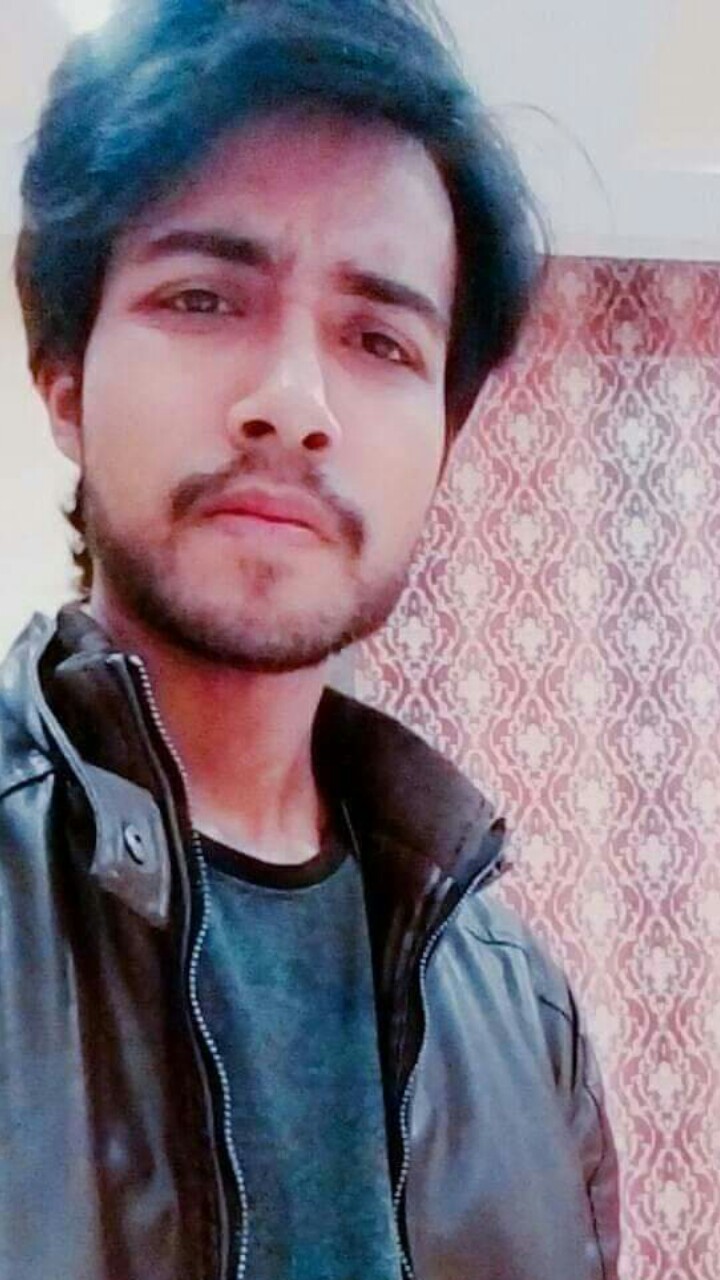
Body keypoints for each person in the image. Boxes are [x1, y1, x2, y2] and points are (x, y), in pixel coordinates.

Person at [1, 0, 620, 1277]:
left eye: (380, 339)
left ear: (444, 439)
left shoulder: (525, 1017)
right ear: (64, 378)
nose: (293, 401)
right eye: (203, 296)